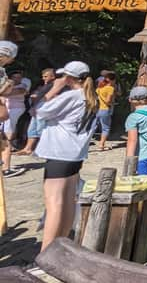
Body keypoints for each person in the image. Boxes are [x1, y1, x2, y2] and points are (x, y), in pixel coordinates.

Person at [35, 61, 99, 252]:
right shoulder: (91, 96)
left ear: (70, 78)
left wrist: (53, 89)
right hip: (75, 154)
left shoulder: (72, 96)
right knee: (69, 199)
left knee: (54, 203)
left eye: (64, 77)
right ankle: (62, 247)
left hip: (59, 153)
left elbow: (40, 111)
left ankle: (45, 252)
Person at [17, 68, 56, 156]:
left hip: (45, 110)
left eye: (46, 76)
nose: (43, 78)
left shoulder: (55, 85)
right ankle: (28, 148)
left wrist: (38, 97)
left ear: (52, 76)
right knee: (32, 130)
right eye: (43, 76)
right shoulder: (46, 85)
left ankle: (42, 149)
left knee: (41, 130)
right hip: (37, 109)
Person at [1, 69, 31, 177]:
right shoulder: (6, 85)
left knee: (7, 135)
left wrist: (6, 89)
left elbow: (16, 92)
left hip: (15, 109)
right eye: (15, 78)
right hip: (5, 110)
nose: (17, 79)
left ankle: (5, 165)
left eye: (19, 77)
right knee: (6, 134)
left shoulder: (22, 85)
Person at [95, 71, 116, 151]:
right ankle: (101, 145)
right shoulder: (110, 89)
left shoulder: (99, 88)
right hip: (105, 109)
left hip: (98, 110)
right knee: (105, 128)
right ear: (112, 80)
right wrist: (112, 103)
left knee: (94, 127)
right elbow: (108, 101)